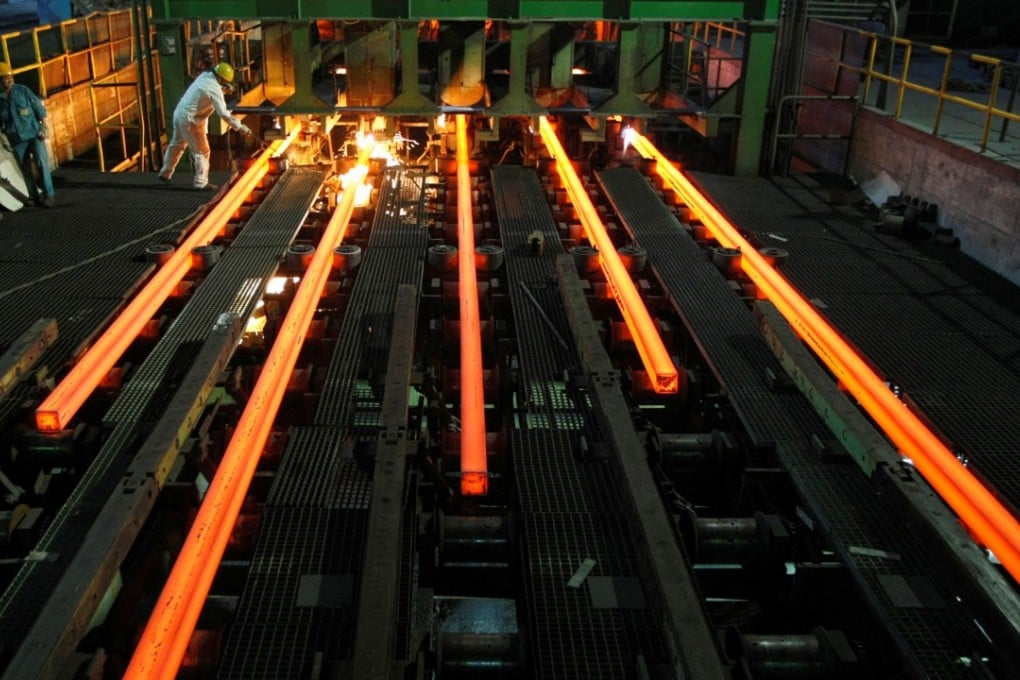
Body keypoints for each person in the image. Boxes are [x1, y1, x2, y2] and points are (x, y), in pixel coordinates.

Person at [158, 62, 251, 191]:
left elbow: (206, 94)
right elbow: (223, 113)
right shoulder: (214, 89)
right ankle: (201, 183)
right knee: (202, 151)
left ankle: (165, 173)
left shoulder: (205, 76)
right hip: (190, 120)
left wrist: (222, 90)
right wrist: (240, 127)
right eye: (226, 82)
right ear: (222, 79)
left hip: (180, 114)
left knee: (177, 145)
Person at [0, 62, 55, 207]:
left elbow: (38, 108)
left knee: (41, 163)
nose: (10, 80)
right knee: (25, 168)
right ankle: (33, 196)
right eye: (6, 78)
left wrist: (44, 126)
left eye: (11, 77)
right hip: (16, 139)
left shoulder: (23, 91)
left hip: (34, 135)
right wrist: (4, 140)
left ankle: (48, 194)